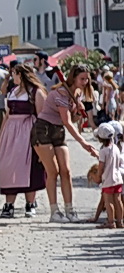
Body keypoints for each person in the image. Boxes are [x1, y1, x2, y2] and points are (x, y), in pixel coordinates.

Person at [31, 65, 98, 223]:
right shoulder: (62, 92)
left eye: (87, 78)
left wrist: (76, 111)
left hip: (57, 130)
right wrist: (83, 143)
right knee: (52, 171)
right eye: (82, 78)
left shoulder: (78, 93)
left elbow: (72, 119)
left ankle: (70, 209)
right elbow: (67, 122)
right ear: (73, 77)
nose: (85, 81)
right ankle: (54, 211)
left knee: (66, 171)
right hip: (43, 129)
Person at [0, 63, 46, 218]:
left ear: (21, 74)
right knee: (9, 166)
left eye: (15, 74)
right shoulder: (13, 92)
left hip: (28, 131)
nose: (13, 77)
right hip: (11, 132)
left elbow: (41, 116)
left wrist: (40, 138)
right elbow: (7, 114)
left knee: (28, 166)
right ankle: (9, 204)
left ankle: (30, 203)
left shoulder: (36, 93)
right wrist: (1, 134)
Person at [96, 122, 124, 228]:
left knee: (108, 201)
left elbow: (101, 166)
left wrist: (99, 176)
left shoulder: (103, 151)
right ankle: (120, 221)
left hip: (108, 179)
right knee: (118, 200)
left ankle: (111, 222)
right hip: (118, 178)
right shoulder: (116, 148)